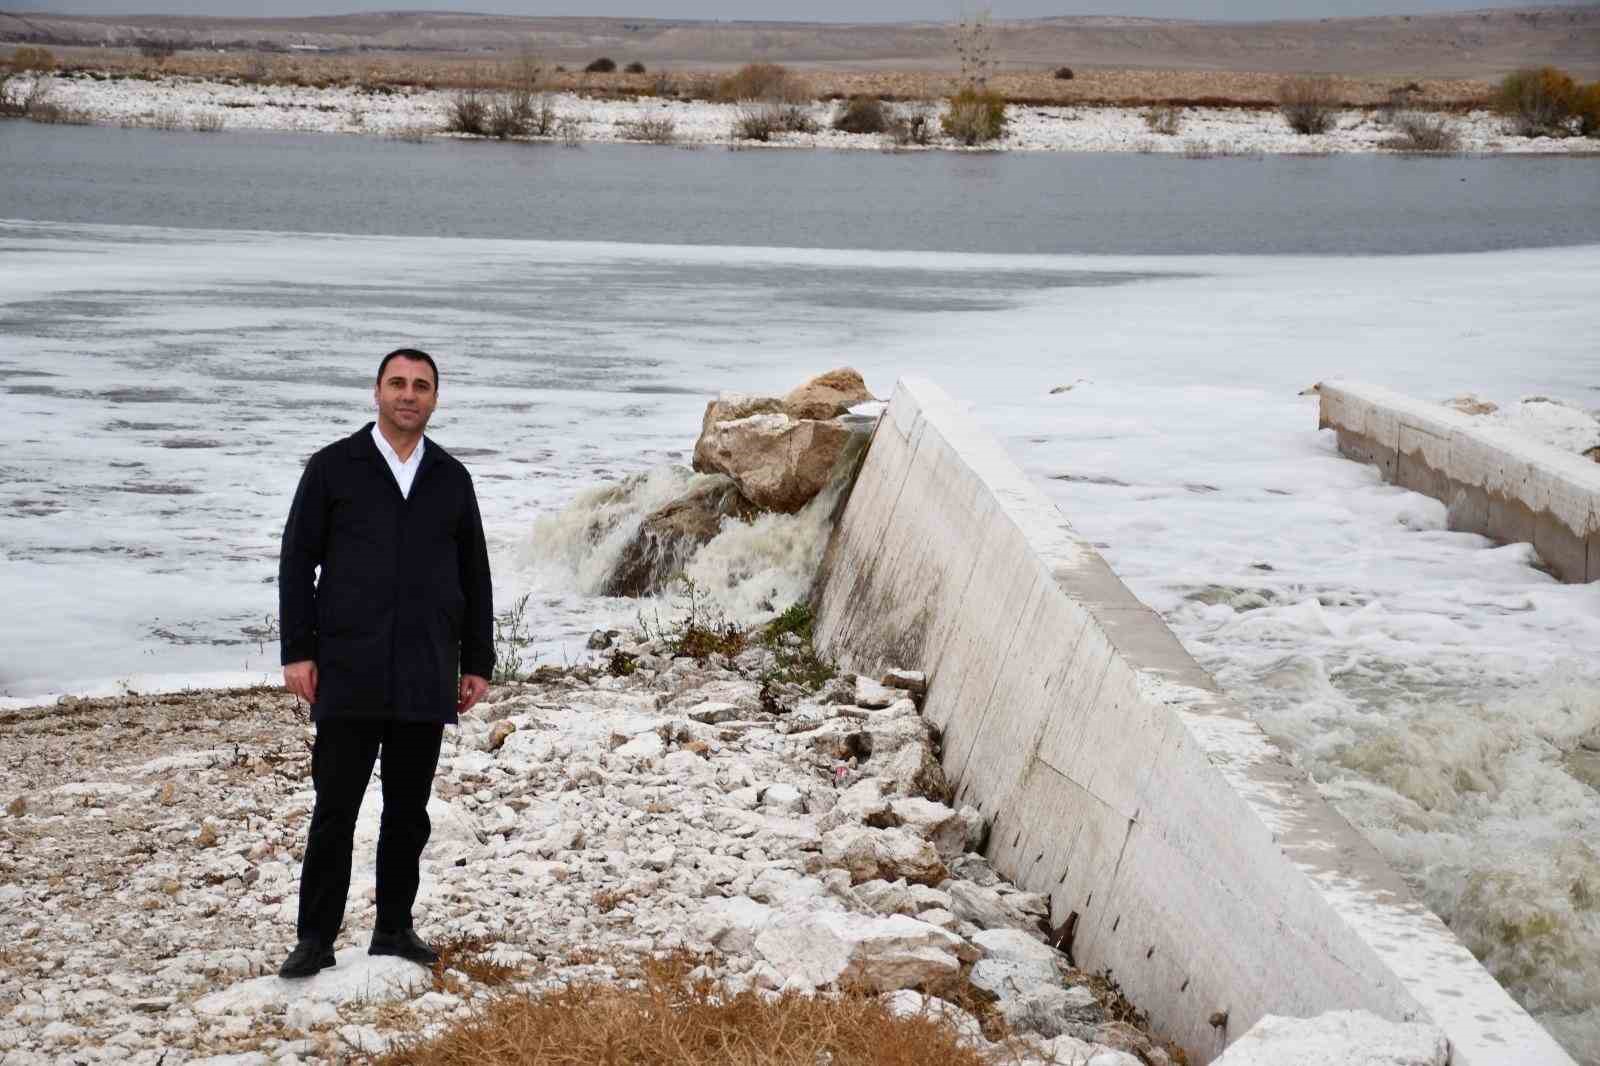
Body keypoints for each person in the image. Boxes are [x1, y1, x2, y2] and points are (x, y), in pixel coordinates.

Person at [276, 347, 493, 980]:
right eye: (397, 383)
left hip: (427, 671)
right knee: (335, 809)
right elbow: (296, 562)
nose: (408, 394)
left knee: (408, 812)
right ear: (376, 392)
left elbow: (474, 574)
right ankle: (314, 939)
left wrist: (477, 659)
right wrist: (299, 651)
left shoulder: (452, 478)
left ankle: (394, 930)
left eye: (421, 386)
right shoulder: (334, 467)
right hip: (348, 666)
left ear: (434, 399)